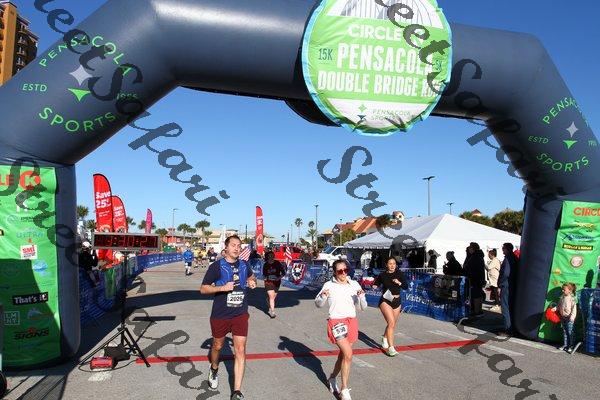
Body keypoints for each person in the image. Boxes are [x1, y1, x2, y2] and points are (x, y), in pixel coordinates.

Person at [200, 235, 257, 400]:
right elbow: (203, 289)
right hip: (220, 314)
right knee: (217, 345)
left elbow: (251, 277)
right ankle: (214, 368)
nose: (237, 248)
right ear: (226, 248)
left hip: (240, 314)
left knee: (240, 350)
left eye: (239, 245)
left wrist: (252, 281)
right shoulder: (216, 266)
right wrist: (222, 288)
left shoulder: (244, 264)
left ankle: (236, 391)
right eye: (233, 245)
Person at [315, 260, 367, 400]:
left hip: (351, 321)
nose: (343, 273)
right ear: (334, 272)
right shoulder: (329, 285)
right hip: (336, 322)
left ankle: (332, 378)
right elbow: (318, 304)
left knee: (343, 355)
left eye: (346, 270)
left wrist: (362, 298)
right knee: (348, 354)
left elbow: (362, 307)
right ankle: (344, 389)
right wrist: (323, 297)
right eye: (340, 271)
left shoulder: (354, 284)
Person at [371, 257, 408, 357]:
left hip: (396, 300)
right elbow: (376, 283)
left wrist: (399, 282)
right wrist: (374, 286)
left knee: (392, 324)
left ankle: (384, 337)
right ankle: (391, 348)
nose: (392, 265)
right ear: (386, 265)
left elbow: (405, 286)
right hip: (385, 300)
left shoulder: (399, 274)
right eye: (390, 264)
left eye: (394, 264)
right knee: (391, 323)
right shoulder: (382, 275)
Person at [498, 242, 519, 336]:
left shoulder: (508, 259)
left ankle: (508, 329)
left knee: (505, 307)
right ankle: (511, 327)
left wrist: (500, 283)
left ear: (506, 249)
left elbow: (506, 273)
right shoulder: (515, 258)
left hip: (506, 285)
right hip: (512, 285)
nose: (502, 250)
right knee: (510, 307)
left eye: (503, 248)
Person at [463, 242, 486, 317]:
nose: (469, 249)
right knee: (478, 295)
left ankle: (477, 311)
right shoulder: (478, 256)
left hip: (475, 279)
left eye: (470, 247)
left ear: (473, 248)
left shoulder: (475, 257)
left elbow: (471, 269)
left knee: (476, 296)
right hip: (478, 279)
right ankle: (479, 310)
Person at [262, 250, 286, 318]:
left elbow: (283, 273)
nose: (271, 257)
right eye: (270, 256)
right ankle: (272, 312)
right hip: (268, 282)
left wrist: (278, 278)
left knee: (273, 297)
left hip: (276, 282)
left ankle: (268, 300)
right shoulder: (265, 264)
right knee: (272, 297)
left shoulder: (277, 263)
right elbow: (264, 275)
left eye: (272, 255)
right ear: (267, 257)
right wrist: (266, 278)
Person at [557, 282, 577, 353]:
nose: (562, 291)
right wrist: (556, 308)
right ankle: (565, 345)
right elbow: (559, 305)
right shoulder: (562, 297)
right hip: (563, 317)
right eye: (562, 289)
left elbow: (574, 309)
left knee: (570, 332)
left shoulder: (572, 298)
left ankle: (571, 346)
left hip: (569, 318)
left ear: (570, 290)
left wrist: (572, 317)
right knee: (565, 331)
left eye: (564, 289)